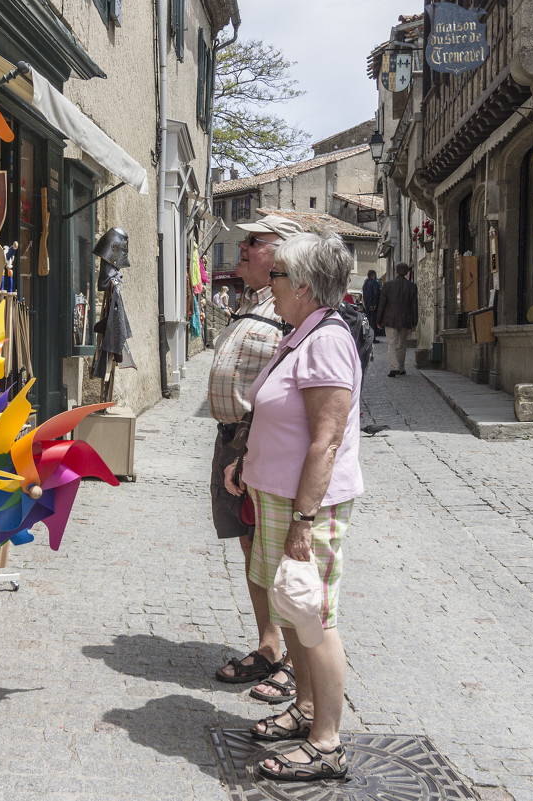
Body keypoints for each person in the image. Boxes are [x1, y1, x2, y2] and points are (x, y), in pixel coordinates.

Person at [223, 231, 363, 782]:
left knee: (315, 615)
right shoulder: (301, 332)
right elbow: (281, 415)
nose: (268, 284)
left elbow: (325, 439)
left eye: (277, 275)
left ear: (303, 285)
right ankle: (305, 709)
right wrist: (247, 460)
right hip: (277, 494)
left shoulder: (327, 338)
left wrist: (305, 519)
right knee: (294, 611)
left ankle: (327, 742)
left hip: (309, 505)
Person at [207, 215, 304, 703]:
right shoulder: (256, 301)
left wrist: (246, 450)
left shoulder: (290, 309)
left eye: (253, 242)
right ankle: (270, 646)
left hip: (255, 444)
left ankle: (290, 659)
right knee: (251, 547)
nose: (241, 248)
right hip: (235, 443)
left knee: (272, 552)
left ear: (282, 254)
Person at [375, 262, 418, 377]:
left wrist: (378, 320)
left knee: (392, 344)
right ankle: (401, 368)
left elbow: (382, 304)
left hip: (390, 319)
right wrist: (415, 322)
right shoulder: (412, 286)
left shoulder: (387, 285)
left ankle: (394, 367)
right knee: (402, 345)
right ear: (407, 273)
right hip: (406, 320)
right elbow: (414, 305)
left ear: (396, 272)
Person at [362, 269, 382, 341]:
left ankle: (368, 336)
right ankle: (372, 337)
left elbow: (364, 295)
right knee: (373, 322)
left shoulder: (365, 283)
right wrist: (374, 304)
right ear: (373, 275)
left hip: (366, 306)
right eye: (375, 275)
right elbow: (376, 294)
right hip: (372, 306)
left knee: (368, 322)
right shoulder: (374, 283)